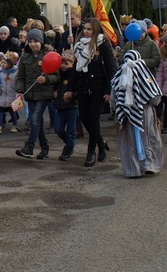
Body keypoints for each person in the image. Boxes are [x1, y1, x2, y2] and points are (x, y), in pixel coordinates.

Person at [111, 49, 163, 177]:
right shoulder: (145, 74)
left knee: (129, 141)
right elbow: (155, 98)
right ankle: (149, 164)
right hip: (145, 111)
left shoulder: (119, 75)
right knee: (148, 137)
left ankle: (132, 170)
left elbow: (113, 98)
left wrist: (117, 110)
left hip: (125, 113)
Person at [75, 17, 118, 167]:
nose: (86, 32)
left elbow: (112, 68)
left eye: (89, 29)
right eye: (84, 29)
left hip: (98, 87)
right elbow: (76, 69)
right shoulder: (79, 46)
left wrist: (108, 90)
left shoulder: (102, 45)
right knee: (85, 119)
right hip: (83, 87)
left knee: (93, 119)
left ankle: (91, 151)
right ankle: (100, 141)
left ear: (95, 30)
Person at [14, 28, 59, 160]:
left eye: (36, 41)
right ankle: (44, 147)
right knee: (37, 122)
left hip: (44, 94)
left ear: (41, 42)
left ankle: (29, 146)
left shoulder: (48, 54)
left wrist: (46, 79)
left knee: (35, 118)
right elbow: (21, 77)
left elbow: (56, 76)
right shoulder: (24, 56)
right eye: (31, 41)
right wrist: (19, 92)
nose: (33, 44)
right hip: (30, 94)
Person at [53, 50, 79, 161]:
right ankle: (70, 143)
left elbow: (79, 90)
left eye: (67, 63)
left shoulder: (75, 76)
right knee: (58, 129)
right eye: (62, 63)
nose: (63, 66)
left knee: (71, 130)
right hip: (60, 107)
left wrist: (72, 95)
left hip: (72, 107)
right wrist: (54, 91)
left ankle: (68, 150)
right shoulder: (58, 76)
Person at [0, 52, 19, 134]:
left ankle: (15, 125)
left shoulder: (16, 73)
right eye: (2, 62)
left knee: (12, 112)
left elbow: (18, 83)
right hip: (1, 96)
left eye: (4, 63)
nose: (2, 64)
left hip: (12, 96)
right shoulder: (0, 72)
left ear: (10, 63)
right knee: (0, 111)